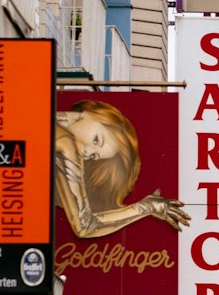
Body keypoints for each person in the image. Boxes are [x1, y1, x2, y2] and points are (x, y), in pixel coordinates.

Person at [53, 99, 190, 238]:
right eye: (96, 140)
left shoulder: (43, 116)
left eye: (94, 156)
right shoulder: (68, 145)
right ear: (95, 114)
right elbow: (85, 226)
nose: (86, 153)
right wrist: (146, 207)